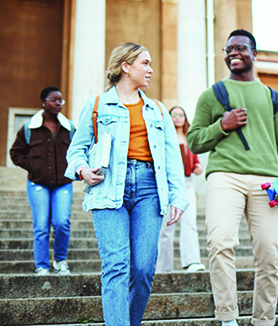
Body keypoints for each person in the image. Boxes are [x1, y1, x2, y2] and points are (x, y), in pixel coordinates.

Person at [65, 42, 188, 326]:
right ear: (126, 66)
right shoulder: (96, 105)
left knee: (143, 269)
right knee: (116, 267)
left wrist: (178, 196)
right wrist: (82, 170)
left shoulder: (157, 110)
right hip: (108, 188)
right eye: (145, 63)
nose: (151, 69)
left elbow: (171, 158)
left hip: (149, 189)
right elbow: (76, 150)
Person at [186, 29, 278, 326]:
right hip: (225, 176)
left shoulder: (272, 97)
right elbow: (195, 141)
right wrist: (222, 126)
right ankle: (227, 318)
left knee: (269, 255)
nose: (233, 53)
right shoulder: (212, 95)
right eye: (228, 50)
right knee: (220, 242)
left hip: (268, 183)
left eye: (240, 48)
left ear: (254, 53)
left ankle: (264, 321)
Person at [10, 86, 75, 276]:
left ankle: (60, 261)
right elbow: (15, 152)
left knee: (62, 222)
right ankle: (42, 266)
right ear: (43, 102)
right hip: (37, 183)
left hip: (63, 183)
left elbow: (80, 148)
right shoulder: (30, 128)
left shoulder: (69, 127)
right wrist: (32, 166)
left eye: (60, 100)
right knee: (41, 225)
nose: (58, 103)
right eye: (54, 100)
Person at [156, 106, 206, 272]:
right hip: (168, 184)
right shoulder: (163, 137)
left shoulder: (189, 137)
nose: (178, 118)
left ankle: (192, 261)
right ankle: (163, 266)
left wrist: (198, 166)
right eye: (174, 115)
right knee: (166, 227)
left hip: (187, 182)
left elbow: (195, 159)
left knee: (189, 222)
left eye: (181, 115)